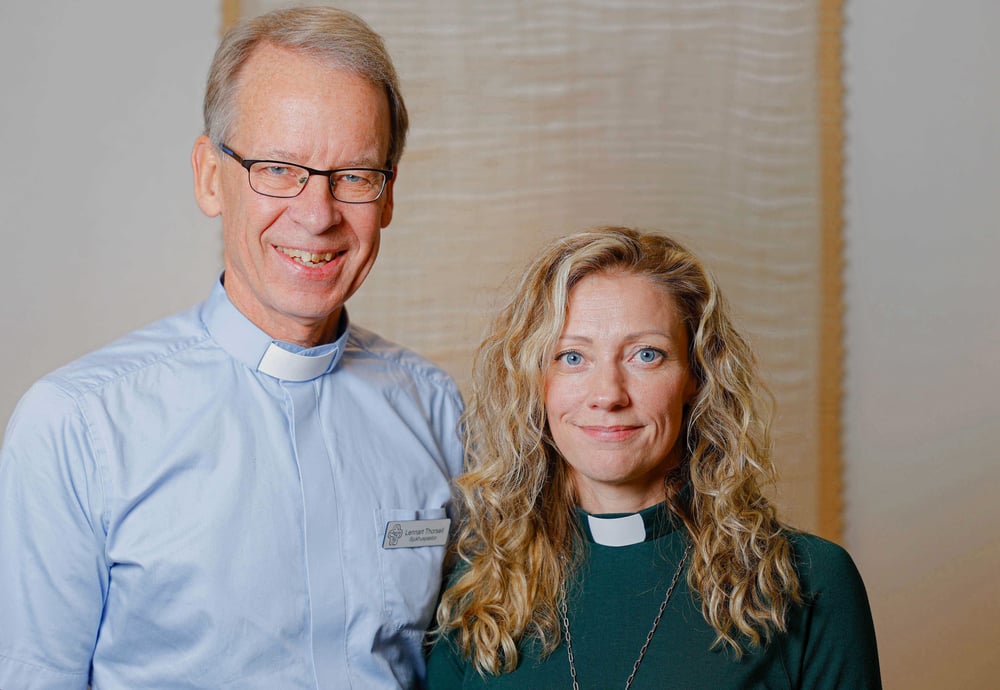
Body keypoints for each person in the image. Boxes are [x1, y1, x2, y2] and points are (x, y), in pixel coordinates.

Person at [0, 7, 462, 690]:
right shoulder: (77, 427)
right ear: (210, 177)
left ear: (388, 195)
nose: (318, 213)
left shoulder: (436, 411)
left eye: (355, 175)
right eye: (278, 168)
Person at [426, 227, 881, 689]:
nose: (607, 394)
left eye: (646, 355)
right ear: (533, 380)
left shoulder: (806, 581)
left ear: (695, 377)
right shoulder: (476, 589)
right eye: (571, 357)